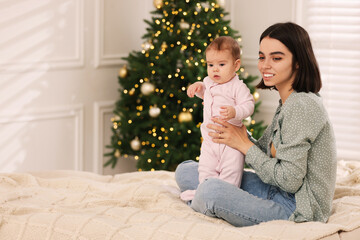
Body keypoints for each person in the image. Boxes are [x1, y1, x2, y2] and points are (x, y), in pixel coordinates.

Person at [175, 22, 337, 227]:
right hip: (275, 189)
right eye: (262, 57)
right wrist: (236, 136)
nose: (264, 65)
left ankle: (206, 201)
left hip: (297, 206)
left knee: (210, 190)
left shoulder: (302, 106)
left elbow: (290, 180)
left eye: (276, 58)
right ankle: (208, 200)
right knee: (185, 170)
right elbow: (263, 152)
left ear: (298, 62)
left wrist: (243, 144)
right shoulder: (288, 101)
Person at [180, 36, 255, 202]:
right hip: (210, 140)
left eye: (221, 65)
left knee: (231, 171)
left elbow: (249, 105)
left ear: (236, 65)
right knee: (206, 168)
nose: (215, 70)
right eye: (210, 65)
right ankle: (205, 191)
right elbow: (207, 97)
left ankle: (226, 197)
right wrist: (199, 89)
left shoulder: (237, 87)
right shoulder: (208, 82)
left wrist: (235, 111)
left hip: (231, 142)